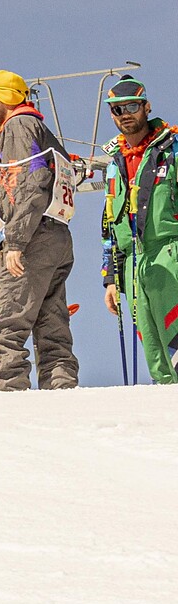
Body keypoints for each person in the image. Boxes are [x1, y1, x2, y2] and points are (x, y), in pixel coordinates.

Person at [0, 69, 78, 391]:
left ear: (6, 96)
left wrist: (16, 242)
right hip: (56, 234)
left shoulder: (18, 127)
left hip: (33, 236)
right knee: (52, 327)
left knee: (7, 324)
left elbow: (30, 182)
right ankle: (62, 392)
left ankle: (10, 399)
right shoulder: (39, 130)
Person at [98, 74, 178, 383]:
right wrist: (111, 278)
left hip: (168, 252)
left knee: (175, 337)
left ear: (147, 106)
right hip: (132, 265)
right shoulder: (114, 162)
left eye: (132, 106)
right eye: (117, 109)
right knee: (154, 353)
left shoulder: (171, 149)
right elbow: (109, 224)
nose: (125, 114)